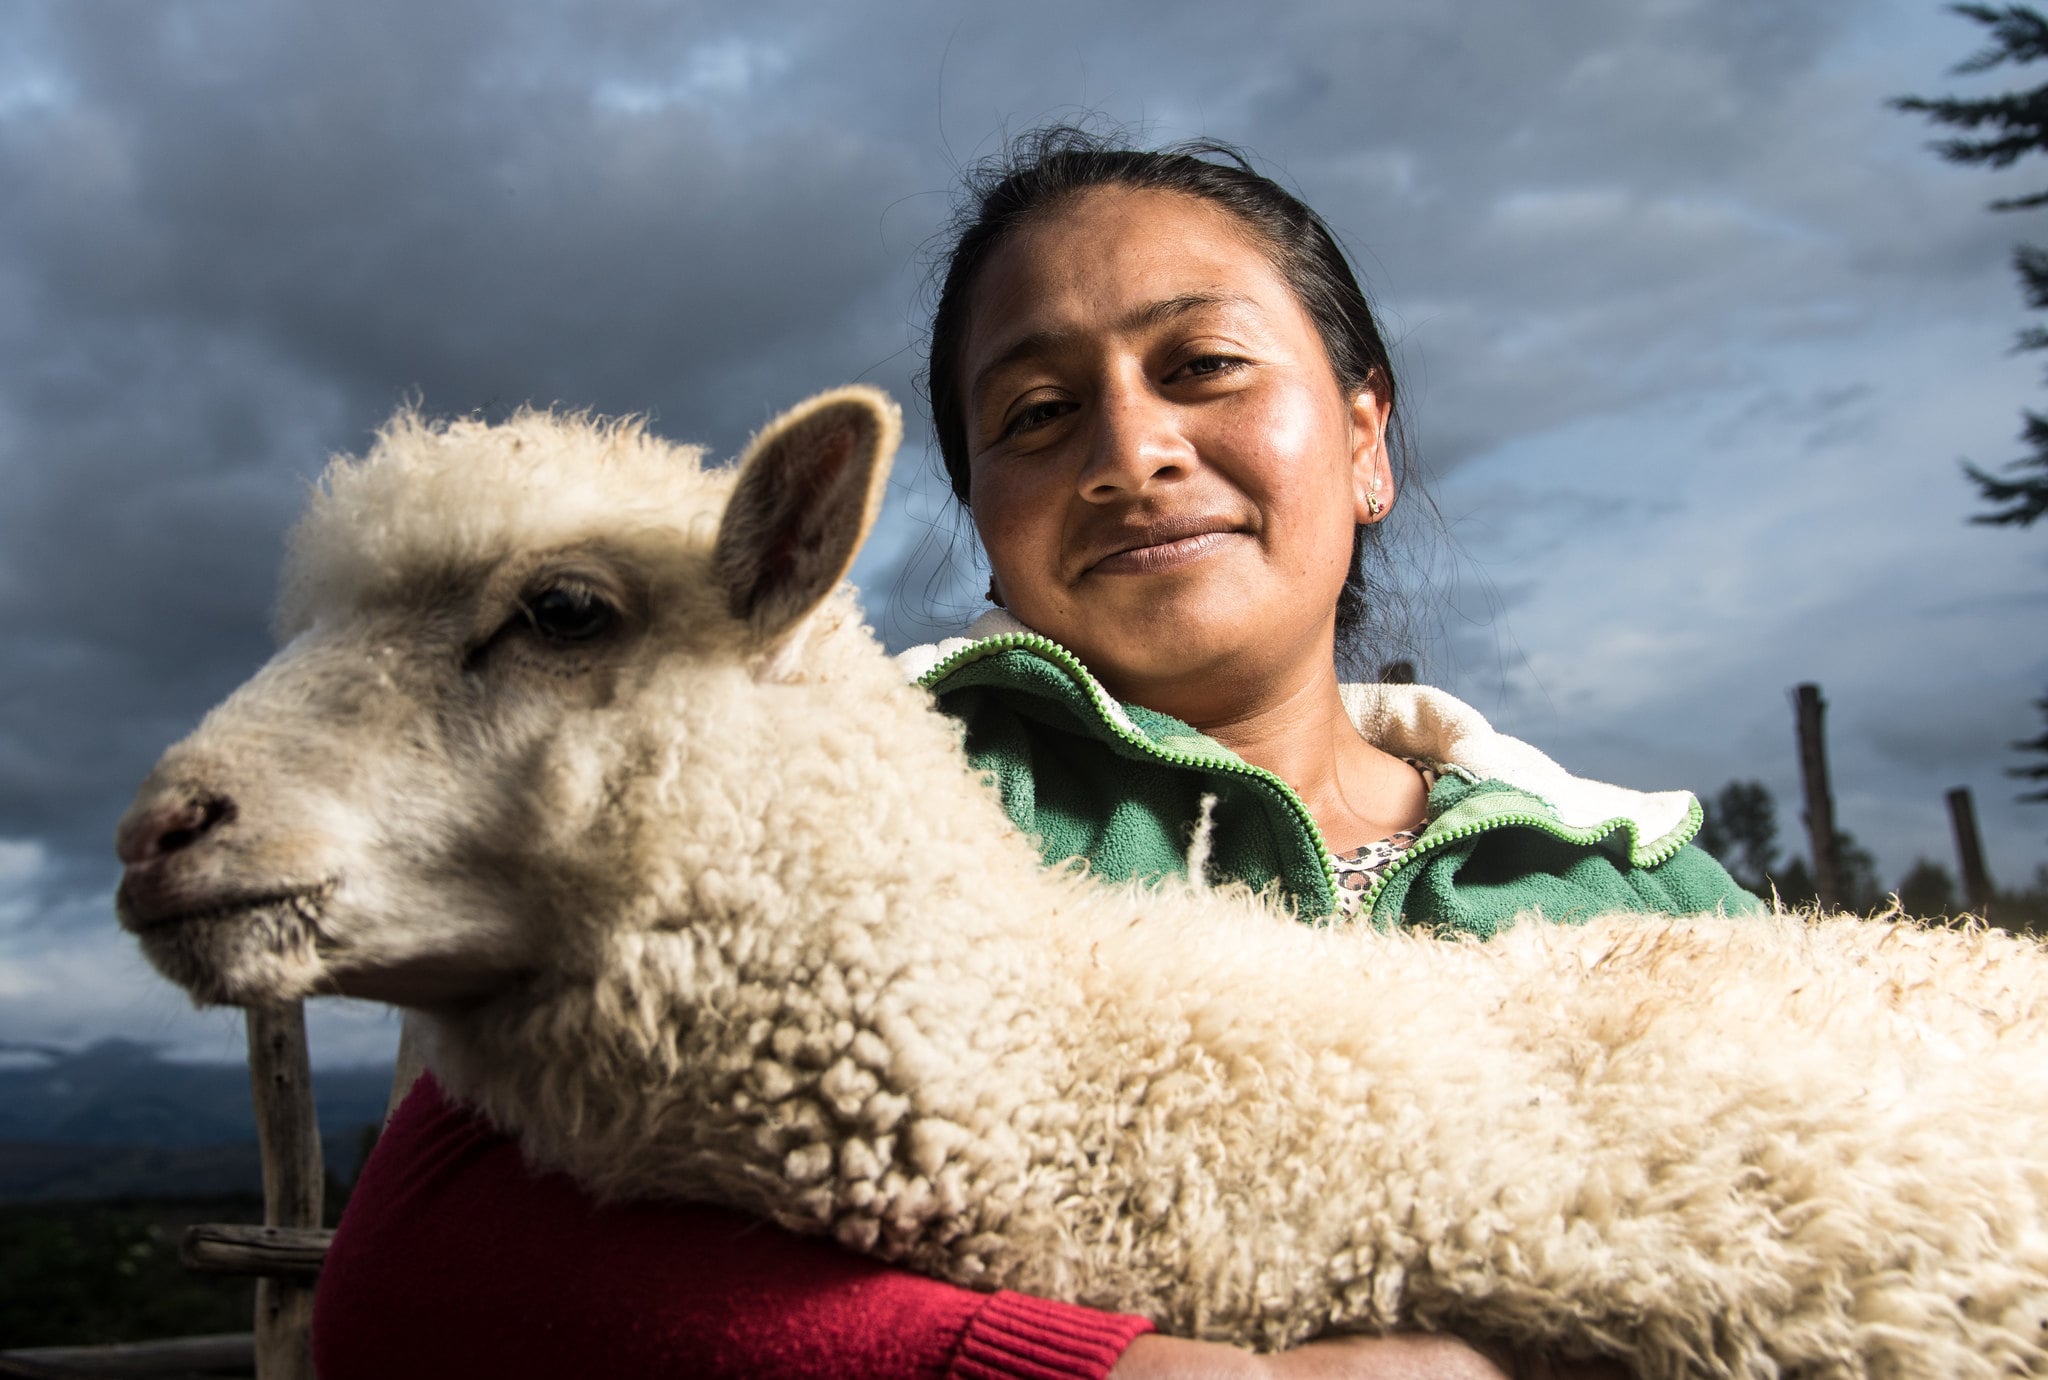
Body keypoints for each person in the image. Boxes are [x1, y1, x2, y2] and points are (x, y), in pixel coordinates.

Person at [313, 127, 1756, 1380]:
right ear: (984, 514)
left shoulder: (1646, 887)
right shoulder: (840, 809)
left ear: (1367, 439)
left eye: (1204, 365)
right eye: (1038, 415)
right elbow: (423, 1283)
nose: (1133, 450)